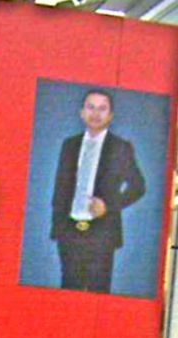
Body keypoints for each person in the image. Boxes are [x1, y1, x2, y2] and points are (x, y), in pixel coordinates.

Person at [50, 89, 145, 293]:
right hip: (70, 231)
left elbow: (138, 187)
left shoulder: (121, 147)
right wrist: (59, 228)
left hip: (102, 232)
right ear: (82, 113)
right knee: (68, 292)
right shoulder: (69, 145)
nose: (95, 113)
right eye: (90, 107)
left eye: (102, 109)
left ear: (110, 116)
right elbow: (60, 188)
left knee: (98, 294)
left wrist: (108, 206)